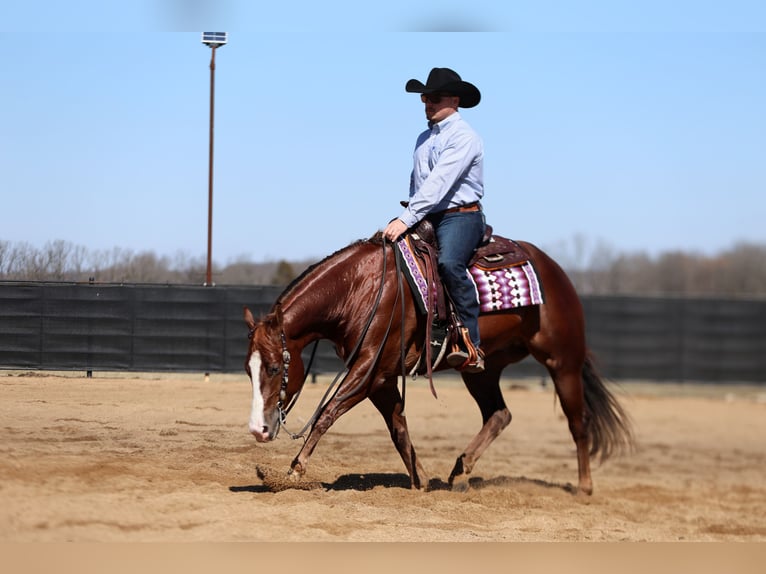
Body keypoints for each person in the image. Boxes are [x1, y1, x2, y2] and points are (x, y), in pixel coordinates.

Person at [383, 67, 486, 374]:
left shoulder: (465, 137)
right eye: (425, 97)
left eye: (435, 97)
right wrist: (412, 213)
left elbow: (438, 183)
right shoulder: (424, 138)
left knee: (449, 264)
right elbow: (418, 185)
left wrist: (406, 219)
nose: (427, 103)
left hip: (461, 217)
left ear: (454, 100)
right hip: (428, 214)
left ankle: (471, 346)